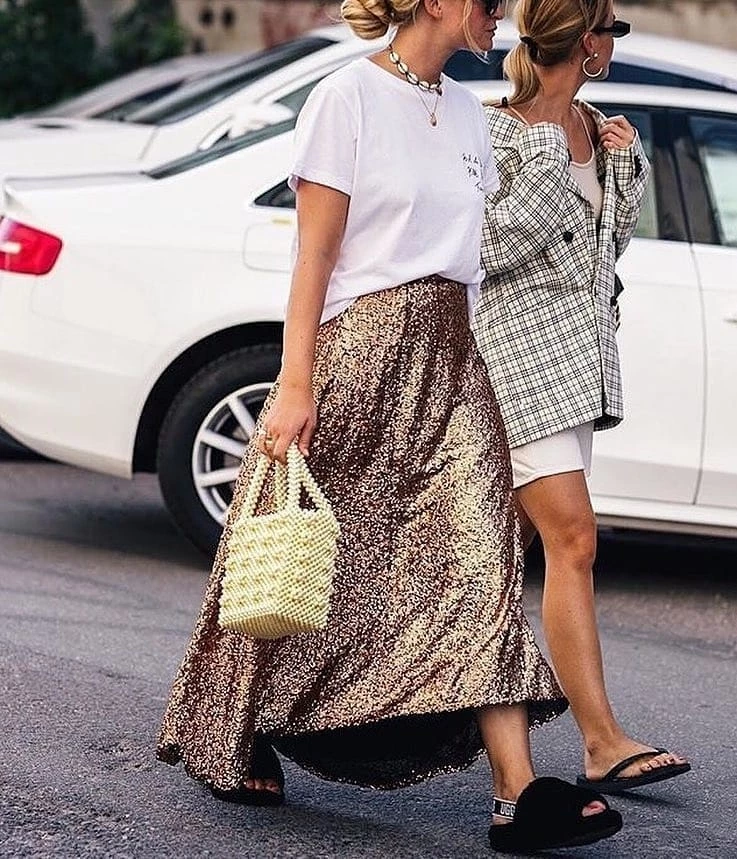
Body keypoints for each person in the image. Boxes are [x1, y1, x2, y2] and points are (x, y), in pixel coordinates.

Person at [157, 0, 624, 850]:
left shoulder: (468, 115)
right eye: (487, 2)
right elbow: (314, 254)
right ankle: (239, 720)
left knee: (480, 560)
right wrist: (295, 382)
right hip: (360, 350)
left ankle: (516, 792)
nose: (500, 14)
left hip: (453, 360)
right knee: (311, 555)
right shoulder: (348, 97)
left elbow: (483, 257)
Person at [473, 0, 690, 796]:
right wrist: (544, 153)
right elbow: (489, 247)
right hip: (512, 364)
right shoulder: (498, 134)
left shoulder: (595, 128)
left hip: (573, 369)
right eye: (610, 31)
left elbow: (603, 250)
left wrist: (623, 168)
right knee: (573, 539)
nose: (613, 44)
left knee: (489, 563)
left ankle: (321, 704)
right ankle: (600, 741)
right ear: (583, 42)